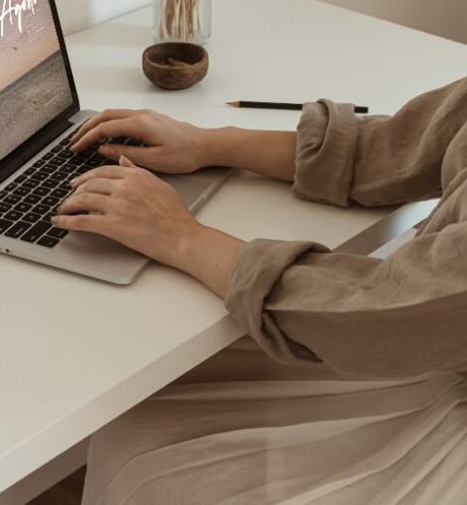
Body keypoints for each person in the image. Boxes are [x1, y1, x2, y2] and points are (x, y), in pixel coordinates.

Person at [50, 78, 467, 505]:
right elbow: (398, 146)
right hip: (424, 340)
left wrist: (180, 237)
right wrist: (207, 144)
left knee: (158, 462)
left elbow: (388, 315)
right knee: (141, 406)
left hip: (419, 358)